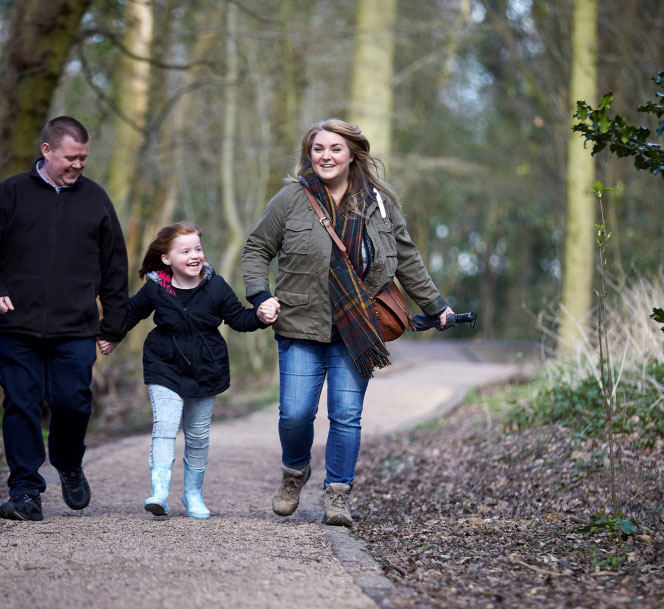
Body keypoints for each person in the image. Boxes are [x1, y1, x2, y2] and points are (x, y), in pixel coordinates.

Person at [241, 118, 454, 527]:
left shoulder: (379, 203)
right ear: (310, 154)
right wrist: (260, 294)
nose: (325, 156)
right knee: (295, 414)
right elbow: (256, 247)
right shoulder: (291, 198)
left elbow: (407, 259)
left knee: (345, 414)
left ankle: (337, 494)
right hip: (301, 323)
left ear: (353, 154)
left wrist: (436, 304)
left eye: (335, 149)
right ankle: (294, 472)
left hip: (358, 325)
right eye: (318, 148)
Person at [0, 116, 129, 522]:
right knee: (20, 404)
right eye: (70, 158)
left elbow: (114, 267)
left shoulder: (96, 200)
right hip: (16, 325)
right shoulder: (11, 194)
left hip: (75, 326)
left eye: (83, 159)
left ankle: (69, 463)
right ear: (46, 151)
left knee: (73, 403)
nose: (78, 165)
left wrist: (113, 324)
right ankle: (25, 491)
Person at [99, 222, 279, 518]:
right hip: (164, 364)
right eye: (185, 251)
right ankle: (159, 492)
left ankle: (192, 493)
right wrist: (112, 335)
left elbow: (239, 320)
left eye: (198, 248)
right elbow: (129, 314)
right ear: (167, 259)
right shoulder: (156, 288)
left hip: (206, 368)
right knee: (166, 424)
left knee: (197, 435)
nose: (195, 255)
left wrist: (261, 315)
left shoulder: (216, 286)